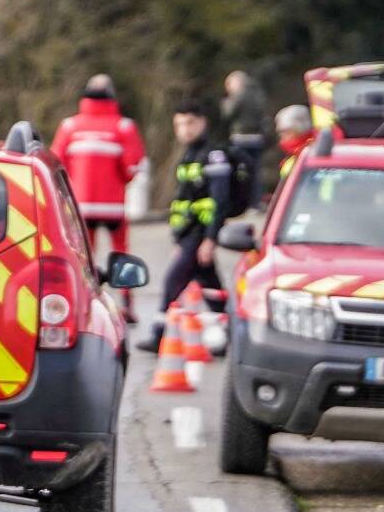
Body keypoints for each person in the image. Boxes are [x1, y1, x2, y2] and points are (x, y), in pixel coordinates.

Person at [136, 99, 231, 352]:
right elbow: (183, 202)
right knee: (211, 287)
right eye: (179, 124)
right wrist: (178, 239)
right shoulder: (188, 156)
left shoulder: (213, 156)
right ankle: (231, 332)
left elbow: (219, 202)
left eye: (190, 123)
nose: (185, 129)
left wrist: (210, 239)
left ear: (202, 123)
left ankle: (158, 335)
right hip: (189, 235)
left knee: (171, 282)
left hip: (200, 235)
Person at [52, 75, 148, 319]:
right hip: (113, 207)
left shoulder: (69, 126)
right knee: (122, 253)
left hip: (81, 206)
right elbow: (131, 167)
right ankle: (127, 305)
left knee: (83, 255)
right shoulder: (124, 127)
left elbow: (55, 164)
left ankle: (86, 303)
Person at [221, 70, 268, 209]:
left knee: (241, 171)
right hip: (257, 137)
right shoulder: (258, 95)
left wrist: (226, 100)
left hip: (241, 138)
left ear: (237, 83)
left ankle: (241, 202)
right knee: (255, 171)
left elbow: (227, 114)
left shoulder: (238, 96)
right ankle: (256, 202)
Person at [270, 104, 313, 195]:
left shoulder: (309, 154)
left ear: (298, 131)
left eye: (285, 132)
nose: (281, 138)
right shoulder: (291, 157)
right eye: (280, 133)